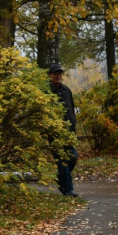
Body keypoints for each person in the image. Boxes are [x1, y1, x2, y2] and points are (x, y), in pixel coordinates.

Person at [48, 63, 79, 197]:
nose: (58, 76)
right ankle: (68, 190)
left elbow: (71, 108)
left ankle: (60, 178)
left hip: (69, 132)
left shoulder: (67, 90)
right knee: (63, 161)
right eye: (55, 74)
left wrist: (73, 124)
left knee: (73, 157)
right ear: (50, 75)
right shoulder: (47, 91)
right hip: (55, 133)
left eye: (60, 73)